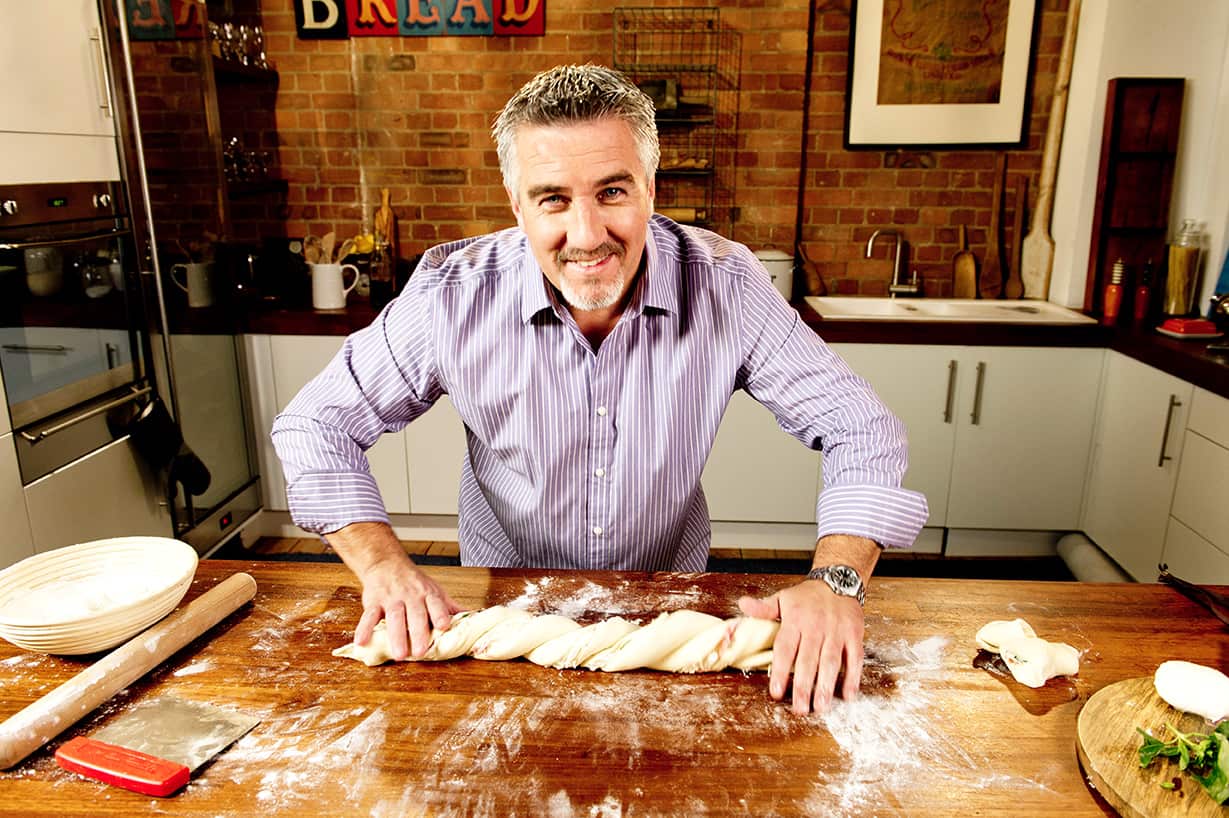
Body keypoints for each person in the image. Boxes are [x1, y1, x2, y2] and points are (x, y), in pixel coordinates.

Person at [272, 64, 928, 714]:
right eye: (552, 198)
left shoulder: (725, 283)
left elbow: (858, 427)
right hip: (501, 605)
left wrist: (836, 580)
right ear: (516, 203)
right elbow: (318, 425)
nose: (586, 237)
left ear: (649, 187)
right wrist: (383, 564)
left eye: (611, 192)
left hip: (672, 601)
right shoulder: (452, 294)